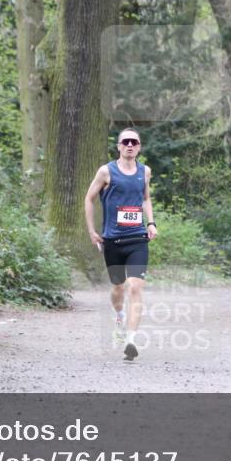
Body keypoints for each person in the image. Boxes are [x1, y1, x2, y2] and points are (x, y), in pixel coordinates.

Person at [84, 127, 157, 361]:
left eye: (134, 142)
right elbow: (89, 199)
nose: (130, 145)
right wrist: (92, 231)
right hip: (113, 241)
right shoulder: (106, 171)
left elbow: (146, 199)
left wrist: (151, 223)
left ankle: (130, 340)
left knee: (135, 287)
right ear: (118, 146)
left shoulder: (145, 171)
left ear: (139, 146)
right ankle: (119, 315)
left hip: (137, 239)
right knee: (118, 288)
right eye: (125, 142)